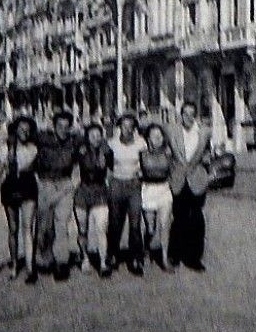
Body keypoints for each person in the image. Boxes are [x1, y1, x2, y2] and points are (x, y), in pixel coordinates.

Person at [0, 115, 40, 283]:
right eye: (21, 129)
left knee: (28, 227)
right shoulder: (6, 148)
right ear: (15, 130)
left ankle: (30, 268)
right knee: (13, 228)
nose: (24, 132)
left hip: (28, 185)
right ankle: (15, 264)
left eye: (27, 129)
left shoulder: (34, 148)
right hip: (10, 186)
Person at [32, 110, 80, 281]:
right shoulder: (42, 139)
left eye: (66, 127)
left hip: (65, 185)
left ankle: (61, 262)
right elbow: (19, 135)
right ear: (54, 126)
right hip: (44, 184)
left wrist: (74, 183)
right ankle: (45, 257)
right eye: (59, 126)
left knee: (61, 224)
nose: (63, 130)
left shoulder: (74, 141)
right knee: (44, 225)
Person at [168, 101, 215, 272]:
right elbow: (168, 153)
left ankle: (194, 258)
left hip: (197, 179)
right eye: (185, 114)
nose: (188, 117)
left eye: (191, 114)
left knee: (196, 218)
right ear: (180, 115)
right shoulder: (173, 132)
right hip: (178, 179)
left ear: (195, 115)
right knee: (179, 217)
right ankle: (175, 255)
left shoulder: (203, 133)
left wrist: (208, 163)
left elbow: (208, 153)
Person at [104, 113, 146, 276]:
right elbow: (108, 166)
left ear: (134, 128)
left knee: (135, 224)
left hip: (134, 185)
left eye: (130, 126)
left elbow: (144, 163)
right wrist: (109, 184)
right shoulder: (112, 143)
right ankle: (112, 255)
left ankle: (135, 258)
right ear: (119, 127)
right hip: (116, 184)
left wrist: (141, 174)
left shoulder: (141, 143)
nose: (127, 129)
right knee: (115, 223)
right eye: (124, 126)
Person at [71, 123, 114, 276]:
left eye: (98, 135)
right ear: (87, 137)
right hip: (83, 192)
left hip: (100, 192)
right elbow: (74, 169)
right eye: (92, 135)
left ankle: (103, 263)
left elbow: (112, 170)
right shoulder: (80, 151)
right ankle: (85, 257)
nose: (96, 138)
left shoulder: (107, 151)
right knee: (83, 229)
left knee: (101, 227)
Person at [139, 123, 179, 272]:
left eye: (160, 136)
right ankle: (146, 249)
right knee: (150, 228)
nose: (157, 138)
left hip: (164, 190)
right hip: (148, 190)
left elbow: (175, 170)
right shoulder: (142, 153)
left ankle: (164, 258)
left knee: (164, 226)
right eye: (154, 135)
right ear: (148, 138)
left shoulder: (168, 153)